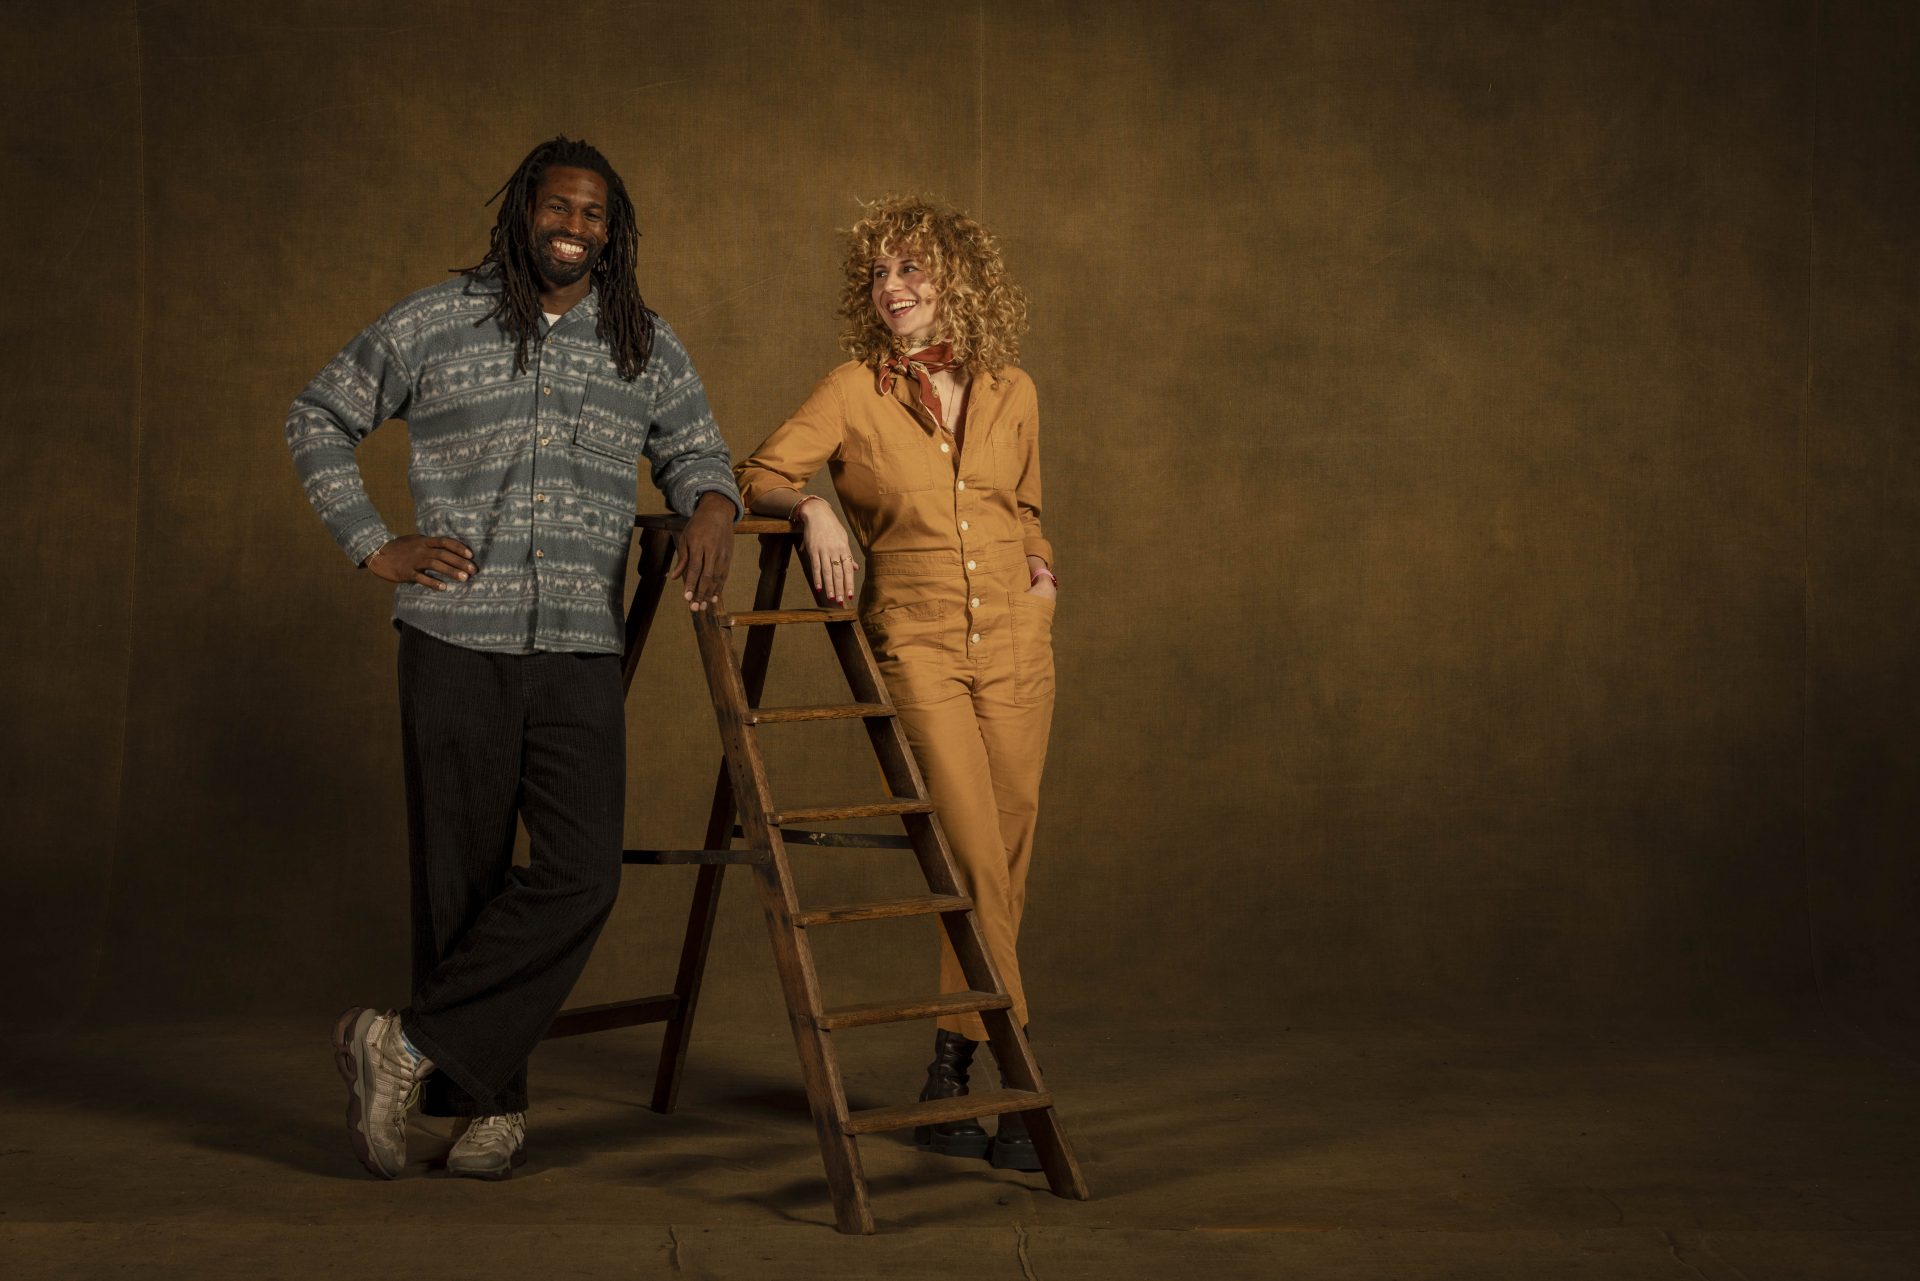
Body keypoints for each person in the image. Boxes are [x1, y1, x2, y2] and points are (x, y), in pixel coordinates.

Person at [286, 136, 740, 1180]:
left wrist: (713, 500)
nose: (574, 228)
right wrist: (372, 544)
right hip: (454, 640)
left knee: (580, 876)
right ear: (523, 211)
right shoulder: (435, 320)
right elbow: (318, 415)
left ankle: (400, 1046)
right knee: (461, 883)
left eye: (594, 215)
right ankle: (487, 1109)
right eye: (559, 207)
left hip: (580, 646)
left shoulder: (643, 341)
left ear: (613, 233)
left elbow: (696, 449)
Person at [733, 195, 1058, 1170]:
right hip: (917, 641)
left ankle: (948, 1075)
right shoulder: (851, 390)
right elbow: (759, 472)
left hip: (1018, 643)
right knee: (973, 854)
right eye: (879, 273)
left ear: (959, 278)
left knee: (1005, 854)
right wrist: (813, 512)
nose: (893, 287)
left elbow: (1026, 506)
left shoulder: (1013, 388)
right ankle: (1017, 1080)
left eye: (912, 268)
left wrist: (1042, 575)